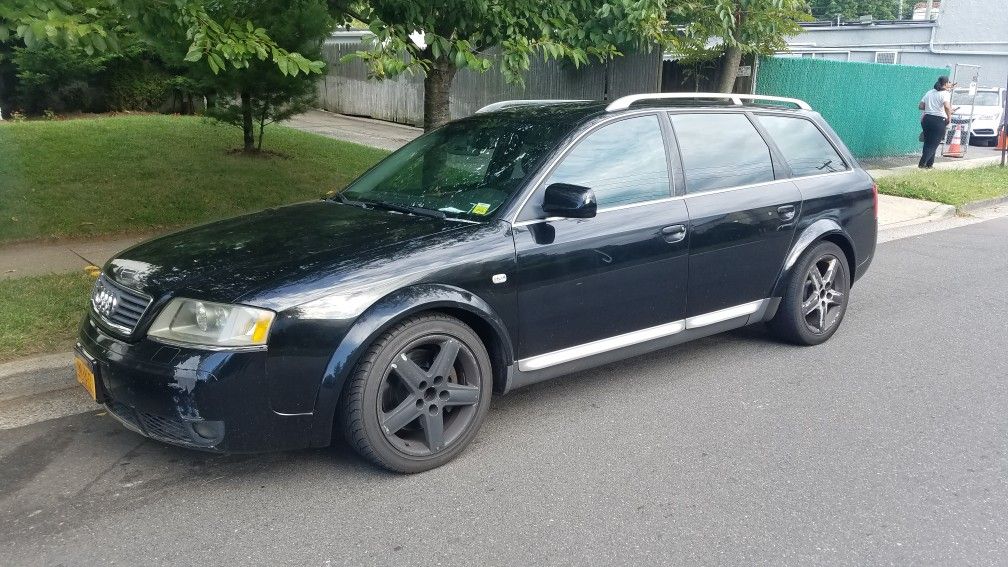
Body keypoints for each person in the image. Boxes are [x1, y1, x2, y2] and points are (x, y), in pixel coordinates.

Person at [918, 76, 956, 168]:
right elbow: (947, 107)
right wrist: (949, 116)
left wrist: (931, 107)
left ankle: (929, 165)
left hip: (926, 119)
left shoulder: (929, 92)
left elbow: (921, 106)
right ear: (946, 83)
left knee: (928, 142)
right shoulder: (945, 93)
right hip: (938, 120)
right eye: (949, 83)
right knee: (934, 144)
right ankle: (921, 164)